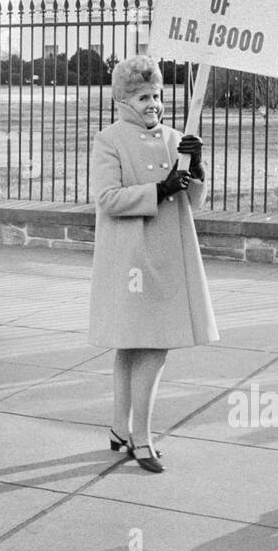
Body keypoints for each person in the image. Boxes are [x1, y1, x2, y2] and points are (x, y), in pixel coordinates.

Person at [88, 56, 218, 473]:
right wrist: (158, 189)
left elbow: (192, 203)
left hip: (166, 252)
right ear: (123, 100)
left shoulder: (174, 137)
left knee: (144, 344)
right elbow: (107, 199)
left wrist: (195, 167)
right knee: (140, 344)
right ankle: (138, 435)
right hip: (131, 256)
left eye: (158, 95)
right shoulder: (109, 140)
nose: (154, 104)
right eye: (143, 96)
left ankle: (121, 429)